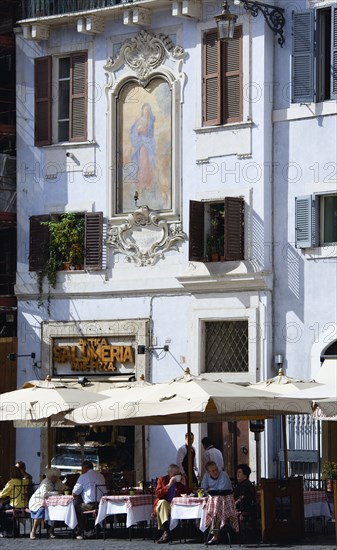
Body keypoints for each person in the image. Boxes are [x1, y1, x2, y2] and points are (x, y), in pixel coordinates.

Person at [72, 460, 107, 540]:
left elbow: (75, 493)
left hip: (90, 505)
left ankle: (81, 530)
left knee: (74, 506)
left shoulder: (83, 477)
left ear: (84, 468)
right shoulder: (100, 475)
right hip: (102, 504)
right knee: (79, 505)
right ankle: (91, 527)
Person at [153, 464, 188, 544]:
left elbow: (188, 493)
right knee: (162, 503)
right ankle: (166, 531)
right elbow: (157, 494)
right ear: (169, 473)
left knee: (163, 505)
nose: (177, 476)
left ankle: (168, 532)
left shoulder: (180, 482)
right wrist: (168, 485)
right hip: (166, 504)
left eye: (178, 474)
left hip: (177, 505)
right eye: (175, 474)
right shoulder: (162, 480)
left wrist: (185, 485)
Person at [28, 467, 66, 540]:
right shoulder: (45, 483)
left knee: (56, 510)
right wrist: (57, 492)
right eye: (54, 477)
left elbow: (64, 487)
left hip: (51, 502)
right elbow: (44, 494)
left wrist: (64, 489)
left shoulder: (57, 481)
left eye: (56, 477)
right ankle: (33, 531)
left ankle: (50, 530)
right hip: (38, 501)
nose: (55, 478)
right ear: (50, 476)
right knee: (41, 510)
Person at [200, 461, 232, 545]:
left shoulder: (223, 475)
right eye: (212, 471)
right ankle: (201, 533)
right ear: (208, 472)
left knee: (216, 510)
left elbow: (221, 491)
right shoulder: (206, 476)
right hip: (212, 502)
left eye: (216, 469)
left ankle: (215, 536)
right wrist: (209, 491)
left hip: (226, 502)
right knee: (203, 508)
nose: (215, 472)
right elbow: (203, 489)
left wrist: (210, 489)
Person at [0, 466, 31, 537]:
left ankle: (5, 530)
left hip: (14, 504)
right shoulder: (25, 481)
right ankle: (12, 530)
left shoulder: (11, 482)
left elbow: (3, 494)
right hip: (24, 505)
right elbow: (27, 477)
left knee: (1, 509)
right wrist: (22, 471)